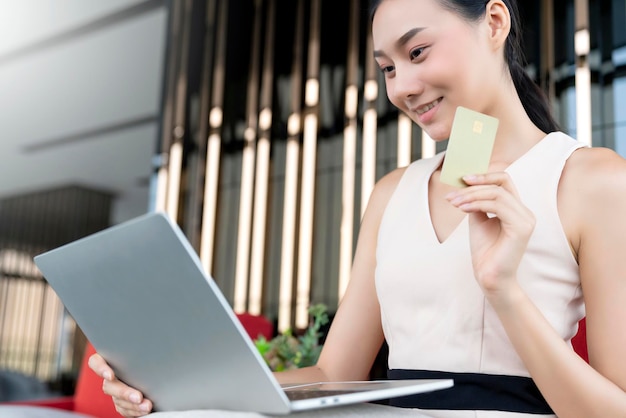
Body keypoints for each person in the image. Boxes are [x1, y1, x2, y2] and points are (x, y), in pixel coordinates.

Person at [89, 0, 626, 416]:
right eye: (388, 68)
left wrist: (503, 291)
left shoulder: (591, 180)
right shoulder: (393, 192)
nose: (404, 87)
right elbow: (332, 373)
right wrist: (177, 389)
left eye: (417, 53)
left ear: (493, 23)